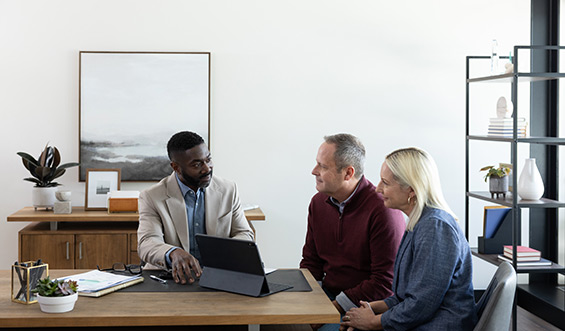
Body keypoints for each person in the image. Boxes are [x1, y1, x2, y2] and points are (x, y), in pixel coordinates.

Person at [341, 147, 477, 331]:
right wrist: (366, 310)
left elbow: (422, 303)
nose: (378, 188)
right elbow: (405, 296)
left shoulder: (435, 228)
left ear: (411, 190)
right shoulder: (419, 222)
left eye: (385, 183)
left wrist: (373, 322)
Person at [300, 134, 406, 331]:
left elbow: (384, 282)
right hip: (328, 296)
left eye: (323, 166)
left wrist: (335, 307)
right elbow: (311, 262)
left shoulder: (383, 210)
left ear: (348, 173)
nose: (314, 171)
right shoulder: (317, 202)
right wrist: (307, 303)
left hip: (366, 306)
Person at [137, 131, 254, 284]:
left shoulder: (228, 189)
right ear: (176, 167)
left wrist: (225, 252)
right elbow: (147, 242)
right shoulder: (152, 196)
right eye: (197, 164)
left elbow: (244, 234)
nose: (207, 169)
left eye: (208, 160)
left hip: (218, 278)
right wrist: (172, 252)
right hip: (169, 279)